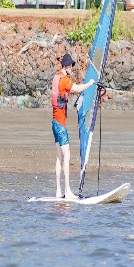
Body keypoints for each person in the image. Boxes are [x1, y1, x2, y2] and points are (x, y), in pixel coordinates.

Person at [52, 53, 95, 199]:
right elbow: (76, 89)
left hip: (54, 122)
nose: (71, 68)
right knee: (67, 155)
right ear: (66, 66)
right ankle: (68, 191)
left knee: (59, 157)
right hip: (60, 124)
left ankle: (58, 191)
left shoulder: (56, 77)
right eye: (70, 66)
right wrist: (89, 84)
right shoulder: (64, 80)